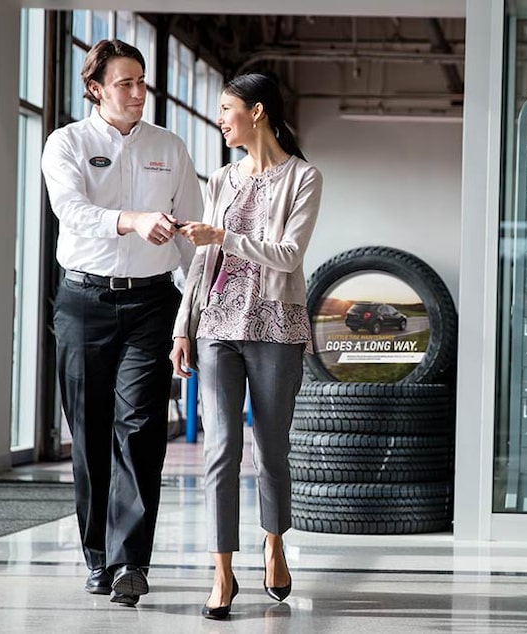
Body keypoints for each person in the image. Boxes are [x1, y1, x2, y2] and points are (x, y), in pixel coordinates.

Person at [41, 39, 201, 607]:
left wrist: (195, 312)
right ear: (95, 89)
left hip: (153, 306)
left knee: (140, 430)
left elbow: (193, 240)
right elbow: (73, 213)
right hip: (83, 302)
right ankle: (97, 559)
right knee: (89, 434)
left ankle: (131, 561)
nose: (138, 93)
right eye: (125, 84)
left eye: (142, 82)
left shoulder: (170, 147)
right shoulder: (67, 144)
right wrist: (132, 220)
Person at [168, 72, 322, 620]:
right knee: (220, 450)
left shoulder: (303, 178)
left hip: (276, 326)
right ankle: (222, 572)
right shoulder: (222, 181)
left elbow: (286, 255)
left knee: (272, 449)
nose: (220, 118)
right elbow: (203, 263)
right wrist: (182, 328)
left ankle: (274, 544)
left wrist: (224, 237)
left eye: (227, 108)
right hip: (216, 328)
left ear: (256, 112)